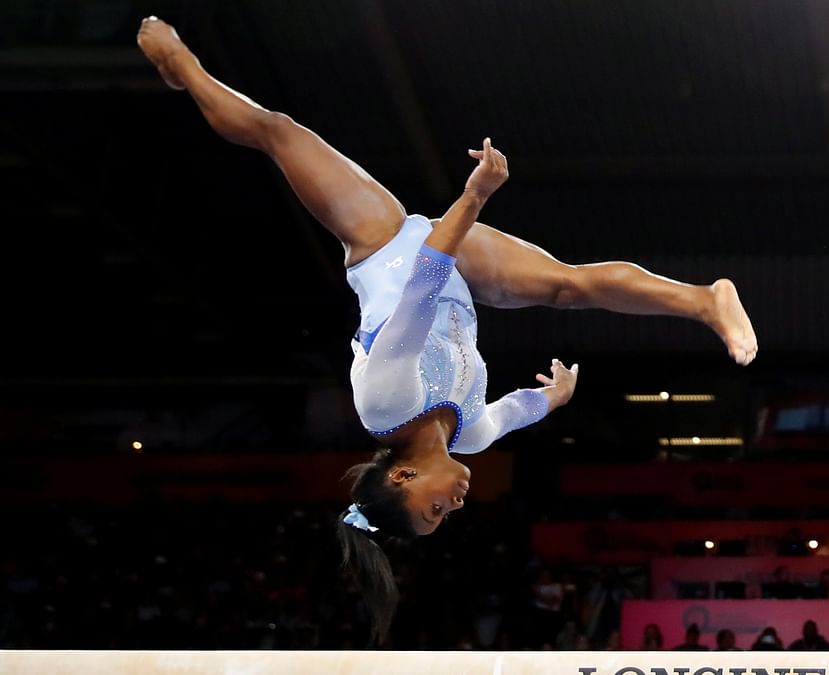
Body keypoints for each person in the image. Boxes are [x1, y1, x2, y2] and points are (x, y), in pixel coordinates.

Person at [135, 16, 757, 644]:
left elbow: (421, 284)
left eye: (435, 509)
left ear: (402, 478)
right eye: (446, 517)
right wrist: (558, 394)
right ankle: (705, 300)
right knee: (571, 286)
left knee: (277, 131)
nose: (454, 506)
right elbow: (517, 410)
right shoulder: (472, 436)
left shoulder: (384, 404)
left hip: (383, 246)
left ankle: (183, 68)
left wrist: (475, 194)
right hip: (458, 270)